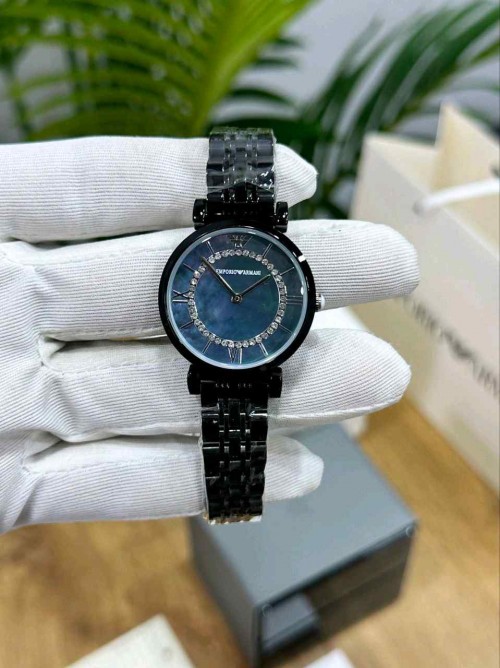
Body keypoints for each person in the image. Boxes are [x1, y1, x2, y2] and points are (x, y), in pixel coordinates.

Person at [0, 135, 418, 533]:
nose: (236, 297)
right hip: (218, 360)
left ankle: (234, 499)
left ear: (311, 301)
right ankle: (234, 499)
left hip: (248, 363)